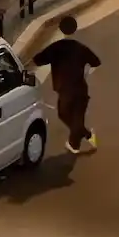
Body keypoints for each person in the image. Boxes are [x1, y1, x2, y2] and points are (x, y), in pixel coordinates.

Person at [32, 15, 102, 155]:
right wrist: (86, 73)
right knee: (77, 119)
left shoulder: (56, 48)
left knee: (63, 114)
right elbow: (96, 62)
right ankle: (84, 138)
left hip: (64, 90)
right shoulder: (81, 48)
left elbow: (37, 60)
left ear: (60, 29)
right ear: (76, 29)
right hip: (81, 89)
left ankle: (81, 142)